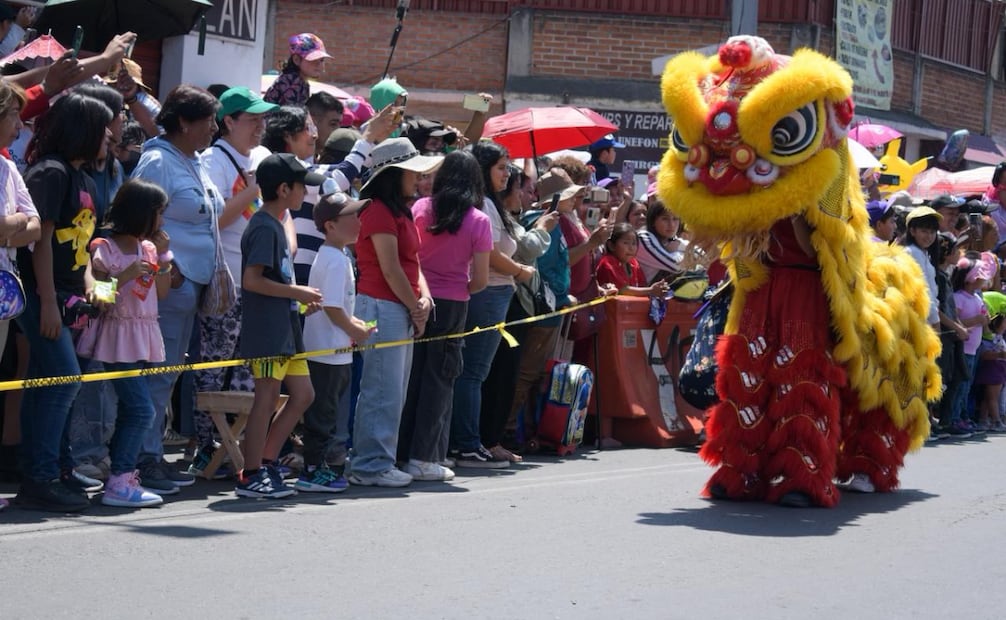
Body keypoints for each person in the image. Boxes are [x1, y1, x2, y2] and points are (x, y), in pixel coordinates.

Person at [14, 92, 112, 512]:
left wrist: (94, 285)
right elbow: (39, 243)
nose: (110, 134)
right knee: (64, 381)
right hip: (43, 295)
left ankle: (57, 467)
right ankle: (40, 477)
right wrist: (49, 301)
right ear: (83, 129)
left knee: (49, 386)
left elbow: (86, 246)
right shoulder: (50, 173)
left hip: (73, 297)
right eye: (104, 127)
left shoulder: (86, 180)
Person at [130, 85, 223, 496]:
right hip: (169, 286)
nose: (214, 129)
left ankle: (147, 456)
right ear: (184, 123)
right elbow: (137, 217)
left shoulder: (194, 160)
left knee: (166, 374)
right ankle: (140, 460)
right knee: (156, 373)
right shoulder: (156, 160)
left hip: (191, 287)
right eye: (208, 122)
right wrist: (171, 268)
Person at [188, 85, 278, 478]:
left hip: (259, 280)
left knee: (247, 368)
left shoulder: (263, 156)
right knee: (215, 363)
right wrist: (257, 187)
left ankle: (236, 448)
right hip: (227, 280)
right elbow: (217, 218)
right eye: (252, 119)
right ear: (228, 121)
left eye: (263, 119)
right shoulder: (214, 160)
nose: (260, 126)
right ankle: (205, 445)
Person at [348, 138, 441, 488]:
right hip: (381, 305)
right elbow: (389, 268)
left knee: (393, 390)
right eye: (412, 173)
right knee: (382, 389)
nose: (418, 181)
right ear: (394, 173)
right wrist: (416, 305)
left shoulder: (398, 210)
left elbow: (411, 263)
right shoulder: (376, 210)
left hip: (397, 305)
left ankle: (377, 460)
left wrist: (424, 300)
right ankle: (369, 464)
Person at [75, 179, 172, 507]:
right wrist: (125, 275)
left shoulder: (146, 248)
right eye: (158, 213)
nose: (162, 220)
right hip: (117, 337)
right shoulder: (105, 247)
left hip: (141, 335)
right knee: (141, 409)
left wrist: (163, 260)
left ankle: (121, 475)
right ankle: (120, 480)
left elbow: (161, 293)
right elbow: (99, 300)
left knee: (133, 410)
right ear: (141, 213)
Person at [399, 150, 491, 480]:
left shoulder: (420, 208)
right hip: (453, 303)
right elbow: (480, 279)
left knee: (410, 377)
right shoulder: (479, 220)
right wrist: (461, 286)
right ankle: (424, 457)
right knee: (441, 380)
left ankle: (403, 453)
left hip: (415, 296)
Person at [236, 153, 324, 498]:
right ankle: (252, 472)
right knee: (267, 397)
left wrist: (297, 299)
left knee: (303, 395)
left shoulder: (274, 223)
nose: (305, 193)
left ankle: (267, 462)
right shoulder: (262, 226)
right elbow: (252, 281)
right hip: (267, 329)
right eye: (302, 186)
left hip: (286, 326)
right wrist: (295, 290)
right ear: (285, 188)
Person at [450, 144, 542, 468]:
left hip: (495, 293)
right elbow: (488, 254)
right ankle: (467, 444)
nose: (507, 174)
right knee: (473, 373)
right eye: (501, 167)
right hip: (488, 293)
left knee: (475, 372)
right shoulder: (484, 204)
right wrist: (521, 271)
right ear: (483, 168)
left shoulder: (491, 203)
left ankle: (470, 441)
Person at [262, 104, 396, 285]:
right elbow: (339, 177)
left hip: (311, 270)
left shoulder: (305, 167)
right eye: (308, 128)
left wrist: (375, 138)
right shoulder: (284, 168)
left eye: (314, 127)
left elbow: (354, 169)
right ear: (288, 135)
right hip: (300, 272)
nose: (315, 135)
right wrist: (368, 136)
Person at [298, 190, 372, 493]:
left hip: (335, 349)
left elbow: (337, 305)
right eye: (351, 216)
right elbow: (330, 307)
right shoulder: (334, 259)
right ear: (330, 225)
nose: (358, 222)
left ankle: (320, 465)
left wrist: (352, 327)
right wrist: (353, 329)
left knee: (328, 412)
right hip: (326, 351)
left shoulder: (338, 255)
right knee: (323, 414)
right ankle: (313, 470)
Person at [950, 253, 993, 435]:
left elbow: (984, 321)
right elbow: (956, 321)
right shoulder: (959, 297)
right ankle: (953, 418)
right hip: (963, 348)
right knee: (959, 385)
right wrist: (976, 320)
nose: (982, 280)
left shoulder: (976, 297)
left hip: (974, 348)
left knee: (967, 385)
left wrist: (985, 319)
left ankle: (962, 416)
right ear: (969, 279)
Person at [596, 223, 669, 297]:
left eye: (634, 243)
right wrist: (650, 290)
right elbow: (622, 290)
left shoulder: (633, 263)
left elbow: (642, 286)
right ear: (611, 246)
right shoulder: (608, 262)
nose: (631, 248)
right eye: (626, 243)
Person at [264, 33, 332, 107]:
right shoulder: (292, 82)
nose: (319, 65)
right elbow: (289, 115)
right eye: (313, 59)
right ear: (296, 60)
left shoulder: (302, 82)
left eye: (321, 60)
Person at [105, 58, 161, 139]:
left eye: (121, 83)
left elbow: (157, 134)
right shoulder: (112, 99)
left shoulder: (146, 103)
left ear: (134, 84)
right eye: (112, 84)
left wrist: (130, 99)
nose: (117, 87)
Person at [636, 200, 688, 284]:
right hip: (648, 294)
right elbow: (676, 266)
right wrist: (678, 251)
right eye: (665, 219)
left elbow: (703, 259)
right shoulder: (643, 238)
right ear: (653, 221)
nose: (671, 225)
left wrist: (678, 247)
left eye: (675, 219)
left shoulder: (674, 241)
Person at [305, 91, 344, 160]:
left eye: (340, 124)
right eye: (333, 124)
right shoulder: (294, 164)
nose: (338, 131)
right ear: (312, 122)